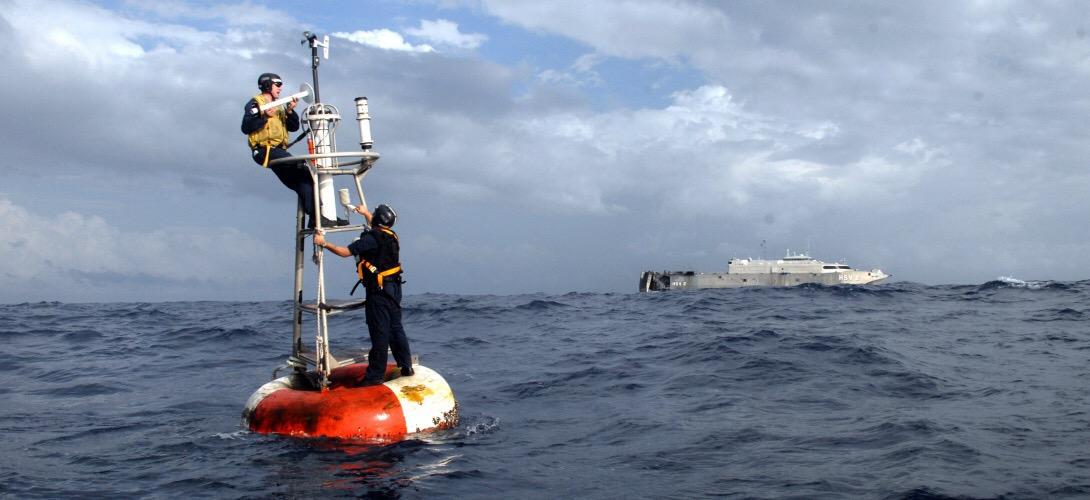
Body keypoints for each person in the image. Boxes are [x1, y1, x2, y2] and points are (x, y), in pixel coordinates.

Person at [314, 204, 413, 385]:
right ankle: (406, 365)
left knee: (380, 332)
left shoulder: (370, 240)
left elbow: (344, 252)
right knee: (396, 328)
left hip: (379, 293)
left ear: (379, 219)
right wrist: (366, 213)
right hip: (394, 289)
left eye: (374, 214)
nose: (372, 215)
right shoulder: (390, 235)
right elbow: (377, 229)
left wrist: (324, 243)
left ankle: (375, 376)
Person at [241, 72, 344, 227]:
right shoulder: (256, 104)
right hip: (265, 150)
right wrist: (264, 117)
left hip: (277, 151)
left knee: (302, 179)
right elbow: (246, 127)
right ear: (268, 85)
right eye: (278, 84)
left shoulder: (280, 105)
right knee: (302, 170)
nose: (281, 88)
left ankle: (319, 217)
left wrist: (289, 111)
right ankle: (317, 217)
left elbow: (294, 127)